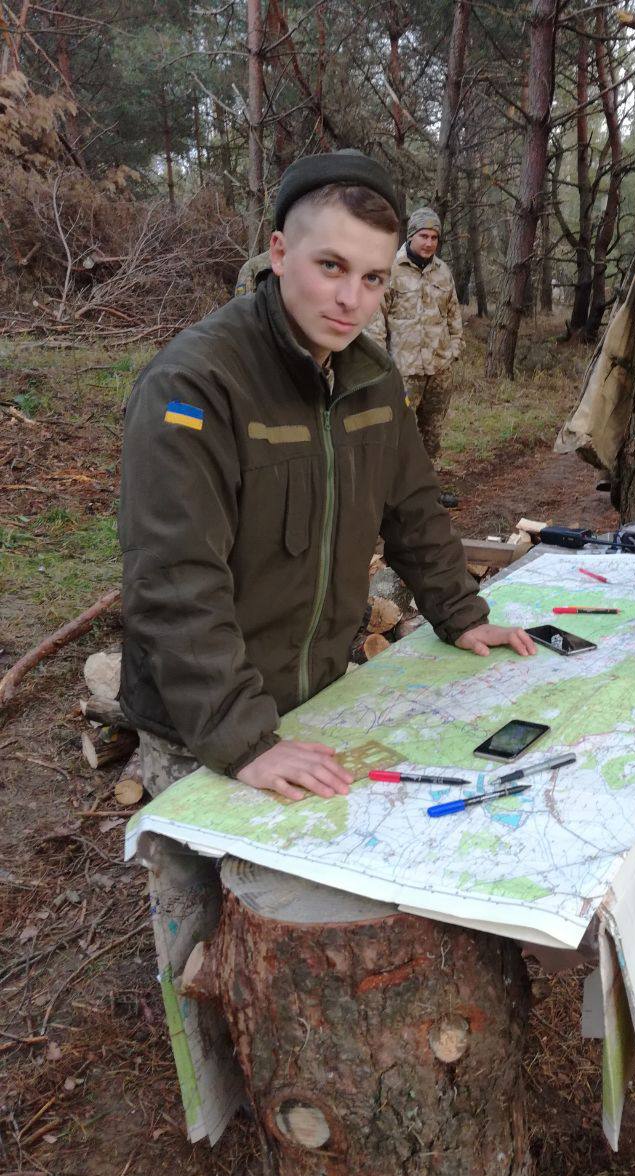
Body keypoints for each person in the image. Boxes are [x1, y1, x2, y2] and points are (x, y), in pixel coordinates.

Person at [119, 151, 534, 801]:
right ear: (280, 253)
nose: (351, 301)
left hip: (316, 700)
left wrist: (458, 613)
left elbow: (413, 508)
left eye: (372, 279)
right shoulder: (196, 385)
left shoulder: (370, 377)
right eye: (331, 267)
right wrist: (241, 735)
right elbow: (175, 575)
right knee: (203, 899)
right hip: (201, 723)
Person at [367, 207, 463, 502]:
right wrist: (381, 365)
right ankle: (391, 497)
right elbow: (375, 320)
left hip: (438, 369)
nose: (429, 242)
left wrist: (454, 350)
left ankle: (425, 492)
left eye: (434, 237)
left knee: (431, 437)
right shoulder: (390, 270)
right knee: (398, 434)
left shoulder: (442, 271)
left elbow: (453, 314)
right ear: (412, 236)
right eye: (424, 236)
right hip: (403, 370)